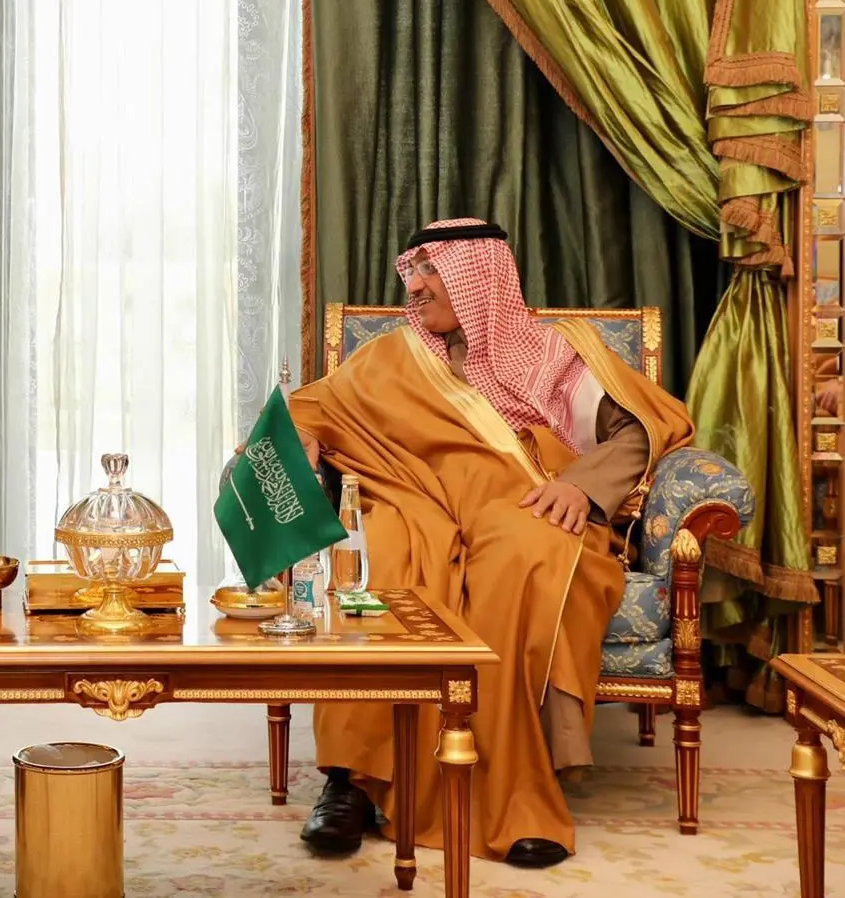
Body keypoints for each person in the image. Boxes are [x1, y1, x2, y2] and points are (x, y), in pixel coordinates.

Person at [287, 218, 694, 868]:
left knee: (528, 559)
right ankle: (350, 781)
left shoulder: (557, 354)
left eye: (432, 270)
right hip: (416, 503)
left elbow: (644, 426)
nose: (415, 286)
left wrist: (582, 487)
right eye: (412, 272)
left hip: (523, 503)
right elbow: (310, 409)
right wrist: (303, 439)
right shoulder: (390, 356)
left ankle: (519, 791)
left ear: (481, 275)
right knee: (381, 557)